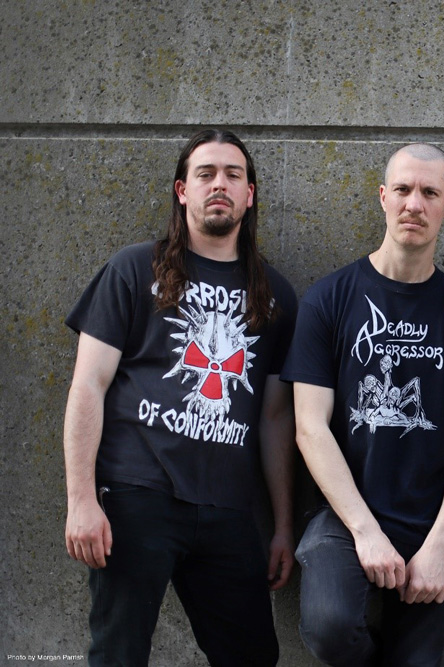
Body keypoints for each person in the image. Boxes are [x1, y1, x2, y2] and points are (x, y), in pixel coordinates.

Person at [63, 129, 298, 666]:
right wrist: (81, 501)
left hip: (228, 508)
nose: (220, 185)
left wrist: (283, 525)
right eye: (205, 174)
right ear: (182, 190)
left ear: (249, 195)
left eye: (233, 175)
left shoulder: (275, 295)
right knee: (119, 654)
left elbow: (274, 419)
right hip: (135, 496)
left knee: (253, 656)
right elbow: (88, 385)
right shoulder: (133, 269)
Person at [281, 143, 444, 667]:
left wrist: (440, 546)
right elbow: (309, 427)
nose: (413, 204)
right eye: (402, 189)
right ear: (383, 197)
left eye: (430, 193)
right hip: (342, 514)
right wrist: (365, 531)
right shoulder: (329, 299)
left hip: (431, 520)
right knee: (331, 628)